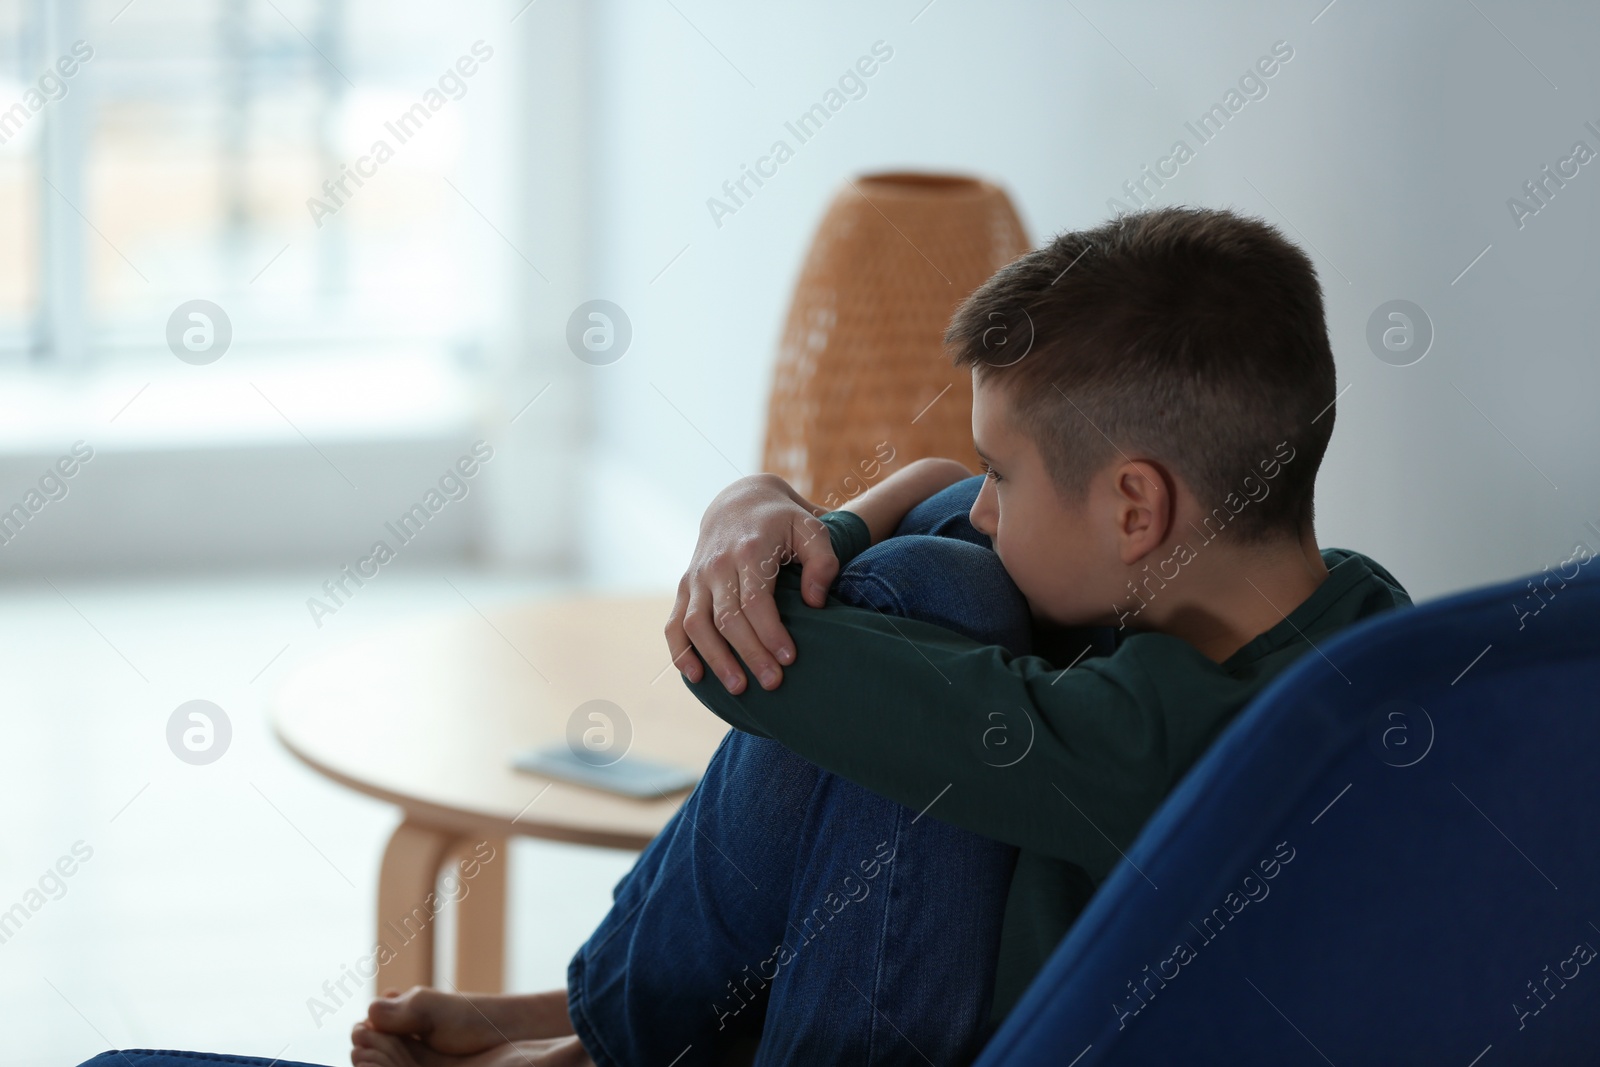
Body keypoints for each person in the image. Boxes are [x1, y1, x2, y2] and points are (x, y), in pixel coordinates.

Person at [77, 205, 1410, 1067]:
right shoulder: (1345, 616)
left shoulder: (1193, 744)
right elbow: (940, 492)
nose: (987, 502)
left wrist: (756, 545)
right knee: (944, 579)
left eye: (1012, 476)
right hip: (868, 995)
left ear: (1135, 504)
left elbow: (752, 661)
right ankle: (578, 1030)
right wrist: (769, 505)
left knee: (920, 599)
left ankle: (597, 1033)